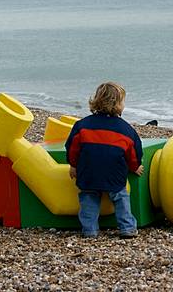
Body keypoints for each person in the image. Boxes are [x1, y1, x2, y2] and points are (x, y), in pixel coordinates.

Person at [65, 82, 144, 238]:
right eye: (123, 101)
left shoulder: (82, 125)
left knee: (88, 198)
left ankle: (90, 230)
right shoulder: (126, 130)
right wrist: (134, 166)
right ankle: (127, 228)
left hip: (88, 171)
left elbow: (72, 148)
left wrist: (73, 165)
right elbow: (134, 152)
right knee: (120, 197)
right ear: (117, 105)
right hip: (114, 172)